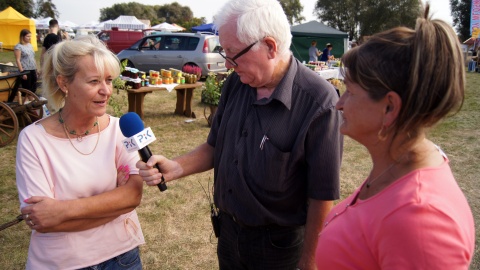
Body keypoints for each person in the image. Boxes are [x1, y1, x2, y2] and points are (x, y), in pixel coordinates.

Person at [136, 0, 343, 269]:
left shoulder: (318, 102)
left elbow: (322, 195)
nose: (229, 64)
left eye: (233, 54)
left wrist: (310, 261)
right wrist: (175, 168)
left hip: (280, 248)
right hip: (229, 234)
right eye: (225, 54)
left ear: (270, 47)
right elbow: (215, 145)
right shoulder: (237, 83)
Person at [315, 4, 475, 269]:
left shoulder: (420, 218)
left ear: (389, 107)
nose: (339, 103)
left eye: (350, 92)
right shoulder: (395, 167)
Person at [15, 35, 145, 269]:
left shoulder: (119, 129)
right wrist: (115, 205)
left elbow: (133, 196)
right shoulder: (33, 140)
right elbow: (43, 220)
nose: (106, 90)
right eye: (94, 81)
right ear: (64, 83)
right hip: (61, 262)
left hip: (122, 257)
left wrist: (62, 210)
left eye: (108, 80)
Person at [14, 29, 38, 94]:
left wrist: (36, 69)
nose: (29, 38)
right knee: (27, 88)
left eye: (30, 36)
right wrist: (22, 72)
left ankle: (32, 100)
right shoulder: (18, 47)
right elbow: (18, 60)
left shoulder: (30, 45)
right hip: (25, 69)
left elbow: (33, 57)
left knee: (34, 86)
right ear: (23, 36)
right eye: (28, 36)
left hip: (32, 68)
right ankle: (28, 100)